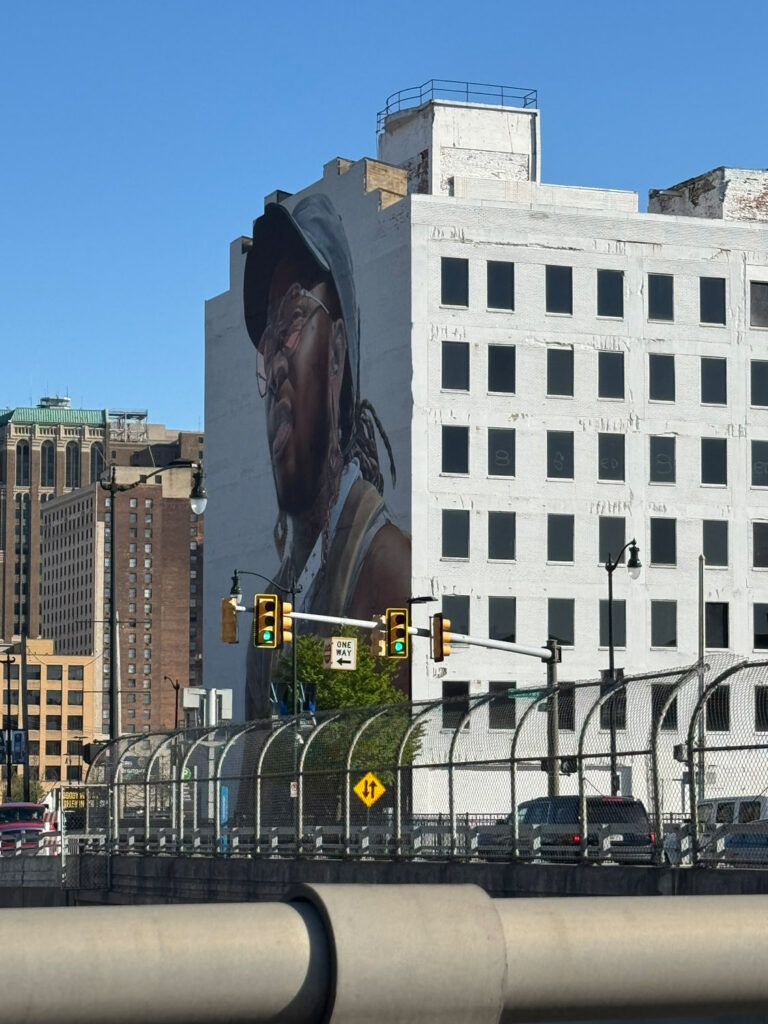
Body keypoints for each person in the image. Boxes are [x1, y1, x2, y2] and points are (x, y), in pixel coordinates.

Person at [242, 193, 411, 719]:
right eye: (268, 341)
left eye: (290, 322)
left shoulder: (385, 571)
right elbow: (252, 783)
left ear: (337, 353)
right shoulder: (276, 604)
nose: (273, 366)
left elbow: (386, 762)